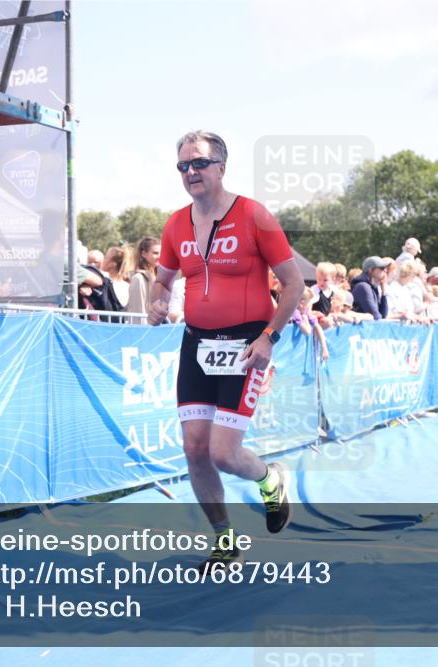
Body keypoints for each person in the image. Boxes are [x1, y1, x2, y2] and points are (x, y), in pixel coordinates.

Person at [146, 130, 302, 571]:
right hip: (196, 343)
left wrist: (269, 336)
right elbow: (163, 279)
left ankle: (270, 479)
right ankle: (225, 541)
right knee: (194, 450)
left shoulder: (255, 215)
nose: (190, 172)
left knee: (222, 453)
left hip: (246, 344)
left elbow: (292, 284)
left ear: (221, 166)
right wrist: (157, 301)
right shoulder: (176, 223)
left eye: (198, 163)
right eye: (182, 166)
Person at [292, 288, 329, 360]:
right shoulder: (295, 311)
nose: (302, 306)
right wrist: (305, 320)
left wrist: (324, 348)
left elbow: (317, 327)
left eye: (307, 303)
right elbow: (307, 332)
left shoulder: (305, 311)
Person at [127, 237, 161, 316]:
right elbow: (138, 311)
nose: (160, 256)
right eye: (155, 253)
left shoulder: (158, 277)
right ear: (144, 254)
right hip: (145, 326)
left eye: (161, 253)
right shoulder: (138, 279)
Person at [351, 256, 391, 321]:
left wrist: (384, 292)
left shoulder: (373, 287)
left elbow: (383, 315)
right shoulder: (363, 287)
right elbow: (376, 317)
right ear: (371, 270)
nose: (385, 270)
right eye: (382, 268)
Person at [310, 261, 337, 329]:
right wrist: (315, 313)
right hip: (316, 321)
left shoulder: (334, 290)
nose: (321, 282)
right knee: (328, 322)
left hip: (329, 318)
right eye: (319, 279)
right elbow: (307, 310)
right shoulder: (314, 291)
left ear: (333, 279)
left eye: (325, 280)